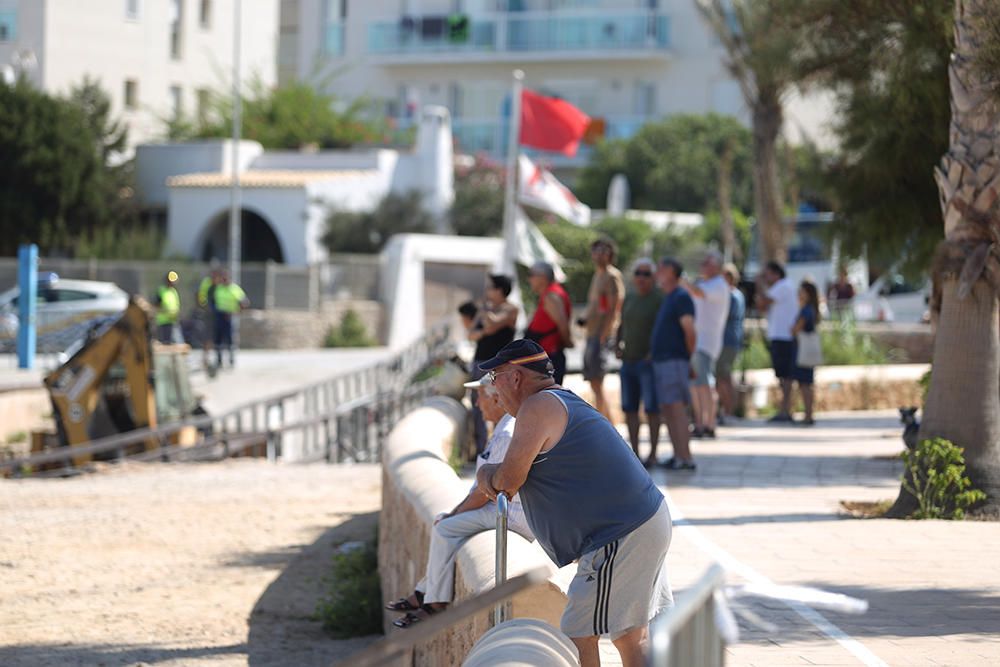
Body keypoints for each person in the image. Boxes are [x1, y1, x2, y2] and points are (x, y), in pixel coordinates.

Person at [475, 339, 672, 667]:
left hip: (620, 532)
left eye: (494, 379)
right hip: (640, 522)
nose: (493, 390)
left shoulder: (537, 407)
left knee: (577, 632)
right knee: (628, 636)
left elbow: (508, 481)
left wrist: (485, 476)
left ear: (515, 377)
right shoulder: (557, 400)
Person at [385, 376, 532, 628]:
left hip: (514, 515)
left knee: (446, 527)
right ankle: (423, 592)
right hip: (507, 508)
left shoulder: (507, 432)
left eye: (481, 397)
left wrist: (454, 514)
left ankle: (434, 603)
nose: (477, 404)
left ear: (497, 398)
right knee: (450, 524)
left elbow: (484, 492)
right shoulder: (504, 427)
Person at [615, 258, 663, 466]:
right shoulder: (630, 296)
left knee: (652, 409)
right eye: (638, 273)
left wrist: (654, 352)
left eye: (646, 274)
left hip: (649, 362)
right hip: (628, 360)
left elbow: (664, 328)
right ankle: (635, 452)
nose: (641, 278)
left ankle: (653, 453)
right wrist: (617, 343)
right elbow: (622, 322)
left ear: (653, 277)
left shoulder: (659, 298)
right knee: (630, 408)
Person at [650, 258, 697, 470]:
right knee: (668, 409)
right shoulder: (670, 297)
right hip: (664, 361)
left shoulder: (681, 296)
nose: (656, 272)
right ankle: (678, 455)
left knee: (677, 409)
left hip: (674, 360)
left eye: (660, 268)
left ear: (670, 272)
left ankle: (685, 457)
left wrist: (689, 359)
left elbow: (690, 331)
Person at [465, 274, 518, 455]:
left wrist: (486, 315)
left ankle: (499, 446)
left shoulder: (511, 309)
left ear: (500, 290)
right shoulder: (485, 309)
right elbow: (471, 334)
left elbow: (492, 325)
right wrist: (483, 327)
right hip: (480, 362)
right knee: (478, 405)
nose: (487, 291)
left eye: (491, 288)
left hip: (500, 366)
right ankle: (482, 448)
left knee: (500, 402)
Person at [679, 251, 730, 439]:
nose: (702, 265)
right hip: (696, 342)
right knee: (696, 385)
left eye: (706, 262)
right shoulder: (705, 283)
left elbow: (698, 293)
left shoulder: (719, 285)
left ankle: (708, 423)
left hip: (706, 343)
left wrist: (683, 281)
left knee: (705, 384)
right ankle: (700, 422)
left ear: (716, 266)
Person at [580, 238, 625, 420]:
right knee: (593, 380)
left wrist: (604, 334)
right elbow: (597, 305)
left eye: (603, 250)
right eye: (596, 250)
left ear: (610, 254)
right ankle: (606, 421)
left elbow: (615, 308)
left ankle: (605, 423)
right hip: (592, 332)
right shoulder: (597, 275)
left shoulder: (612, 276)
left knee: (598, 380)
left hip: (601, 334)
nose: (599, 254)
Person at [755, 261, 799, 422]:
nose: (765, 278)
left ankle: (785, 410)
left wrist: (759, 285)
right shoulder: (779, 288)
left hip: (784, 337)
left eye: (767, 274)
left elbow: (763, 301)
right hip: (779, 337)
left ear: (776, 274)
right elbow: (762, 306)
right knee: (782, 375)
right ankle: (784, 409)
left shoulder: (783, 286)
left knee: (786, 376)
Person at [524, 261, 572, 385]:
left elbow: (563, 325)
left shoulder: (551, 296)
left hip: (549, 356)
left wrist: (566, 342)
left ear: (543, 278)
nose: (529, 279)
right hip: (546, 355)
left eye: (531, 275)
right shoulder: (549, 294)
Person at [715, 263, 746, 424]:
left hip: (727, 340)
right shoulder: (737, 295)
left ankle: (728, 411)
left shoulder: (731, 296)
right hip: (731, 340)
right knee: (725, 376)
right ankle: (728, 410)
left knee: (723, 376)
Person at [791, 280, 821, 425]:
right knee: (807, 383)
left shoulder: (806, 310)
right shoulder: (812, 309)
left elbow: (795, 329)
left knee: (804, 384)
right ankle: (809, 414)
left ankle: (808, 415)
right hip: (808, 350)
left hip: (803, 349)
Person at [212, 270, 249, 369]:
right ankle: (219, 361)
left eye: (225, 278)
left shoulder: (235, 289)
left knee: (230, 339)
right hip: (219, 316)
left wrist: (235, 312)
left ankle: (231, 360)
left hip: (229, 317)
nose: (224, 280)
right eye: (222, 278)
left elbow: (244, 303)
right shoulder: (218, 288)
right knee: (218, 339)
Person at [196, 267, 221, 368]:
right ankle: (206, 359)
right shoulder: (208, 284)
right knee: (208, 337)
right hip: (210, 314)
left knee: (215, 338)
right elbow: (201, 297)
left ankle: (214, 359)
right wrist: (204, 307)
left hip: (218, 315)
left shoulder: (219, 286)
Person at [154, 270, 182, 345]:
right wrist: (165, 311)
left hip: (173, 321)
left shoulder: (174, 291)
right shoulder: (161, 291)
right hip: (163, 322)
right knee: (165, 344)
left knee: (177, 343)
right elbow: (156, 306)